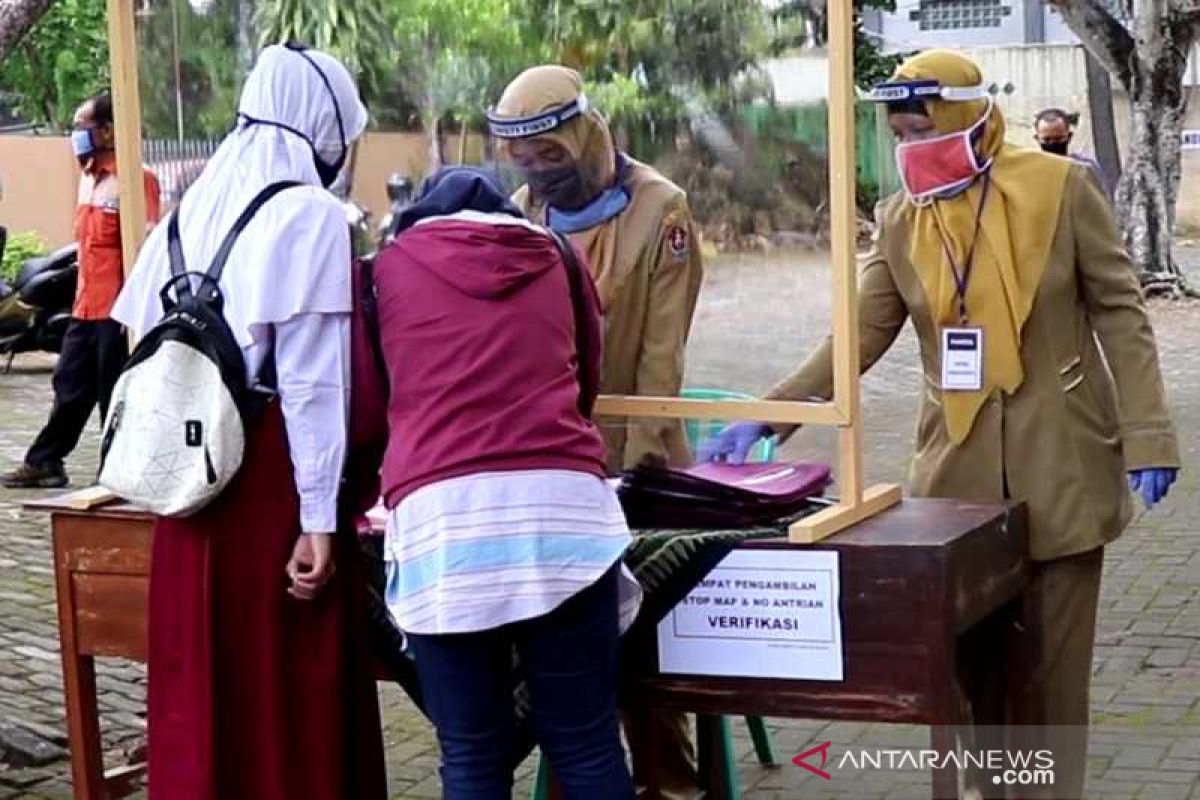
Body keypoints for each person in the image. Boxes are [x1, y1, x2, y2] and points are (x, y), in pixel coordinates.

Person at [702, 50, 1179, 799]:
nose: (907, 145)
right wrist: (776, 415)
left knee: (1051, 687)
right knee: (971, 671)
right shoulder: (900, 219)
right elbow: (858, 335)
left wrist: (1149, 432)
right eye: (895, 132)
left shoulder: (1061, 188)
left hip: (1064, 467)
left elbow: (1122, 313)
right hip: (954, 481)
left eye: (920, 126)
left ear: (962, 115)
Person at [109, 45, 386, 799]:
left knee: (199, 685)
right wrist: (320, 522)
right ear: (319, 124)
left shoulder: (185, 213)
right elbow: (312, 386)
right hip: (271, 486)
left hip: (187, 491)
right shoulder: (311, 215)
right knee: (287, 699)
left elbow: (139, 339)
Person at [354, 165, 640, 799]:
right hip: (568, 520)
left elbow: (372, 400)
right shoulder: (560, 257)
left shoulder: (383, 272)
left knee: (474, 755)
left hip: (445, 531)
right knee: (588, 742)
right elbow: (587, 378)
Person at [487, 64, 706, 800]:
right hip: (556, 458)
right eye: (524, 160)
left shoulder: (660, 209)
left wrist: (635, 473)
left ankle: (667, 781)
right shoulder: (524, 212)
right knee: (564, 640)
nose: (539, 174)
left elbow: (661, 358)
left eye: (551, 155)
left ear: (585, 133)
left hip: (638, 456)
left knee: (644, 633)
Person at [1, 93, 160, 489]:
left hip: (117, 312)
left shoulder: (136, 180)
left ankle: (118, 474)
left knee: (113, 395)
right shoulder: (88, 180)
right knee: (69, 388)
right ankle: (45, 462)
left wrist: (135, 315)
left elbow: (145, 249)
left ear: (107, 131)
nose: (76, 136)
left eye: (82, 127)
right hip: (85, 307)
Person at [1033, 107, 1113, 198]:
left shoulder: (1085, 168)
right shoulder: (1031, 170)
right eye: (1047, 139)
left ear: (1069, 136)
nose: (1052, 144)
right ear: (1037, 139)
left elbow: (1102, 202)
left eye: (1058, 139)